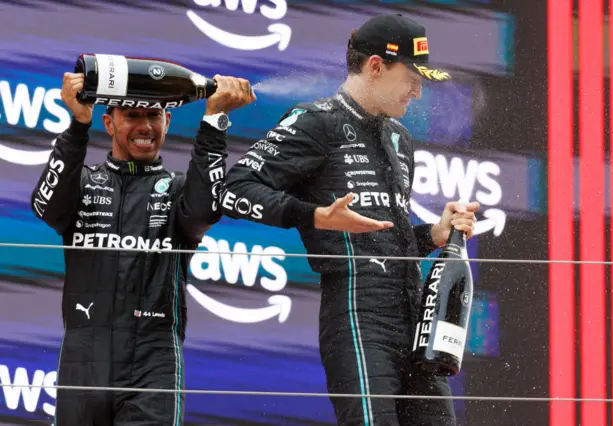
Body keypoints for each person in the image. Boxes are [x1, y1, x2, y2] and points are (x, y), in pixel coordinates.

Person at [221, 13, 480, 426]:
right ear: (375, 67)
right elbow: (232, 188)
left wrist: (433, 234)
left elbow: (382, 239)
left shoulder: (400, 138)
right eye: (411, 77)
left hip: (415, 320)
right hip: (358, 318)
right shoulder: (315, 120)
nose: (418, 90)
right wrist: (314, 217)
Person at [30, 70, 255, 426]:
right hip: (84, 356)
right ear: (108, 122)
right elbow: (45, 207)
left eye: (153, 115)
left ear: (167, 120)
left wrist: (214, 120)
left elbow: (205, 210)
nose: (144, 126)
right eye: (131, 115)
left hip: (154, 360)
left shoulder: (181, 189)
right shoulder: (83, 182)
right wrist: (77, 124)